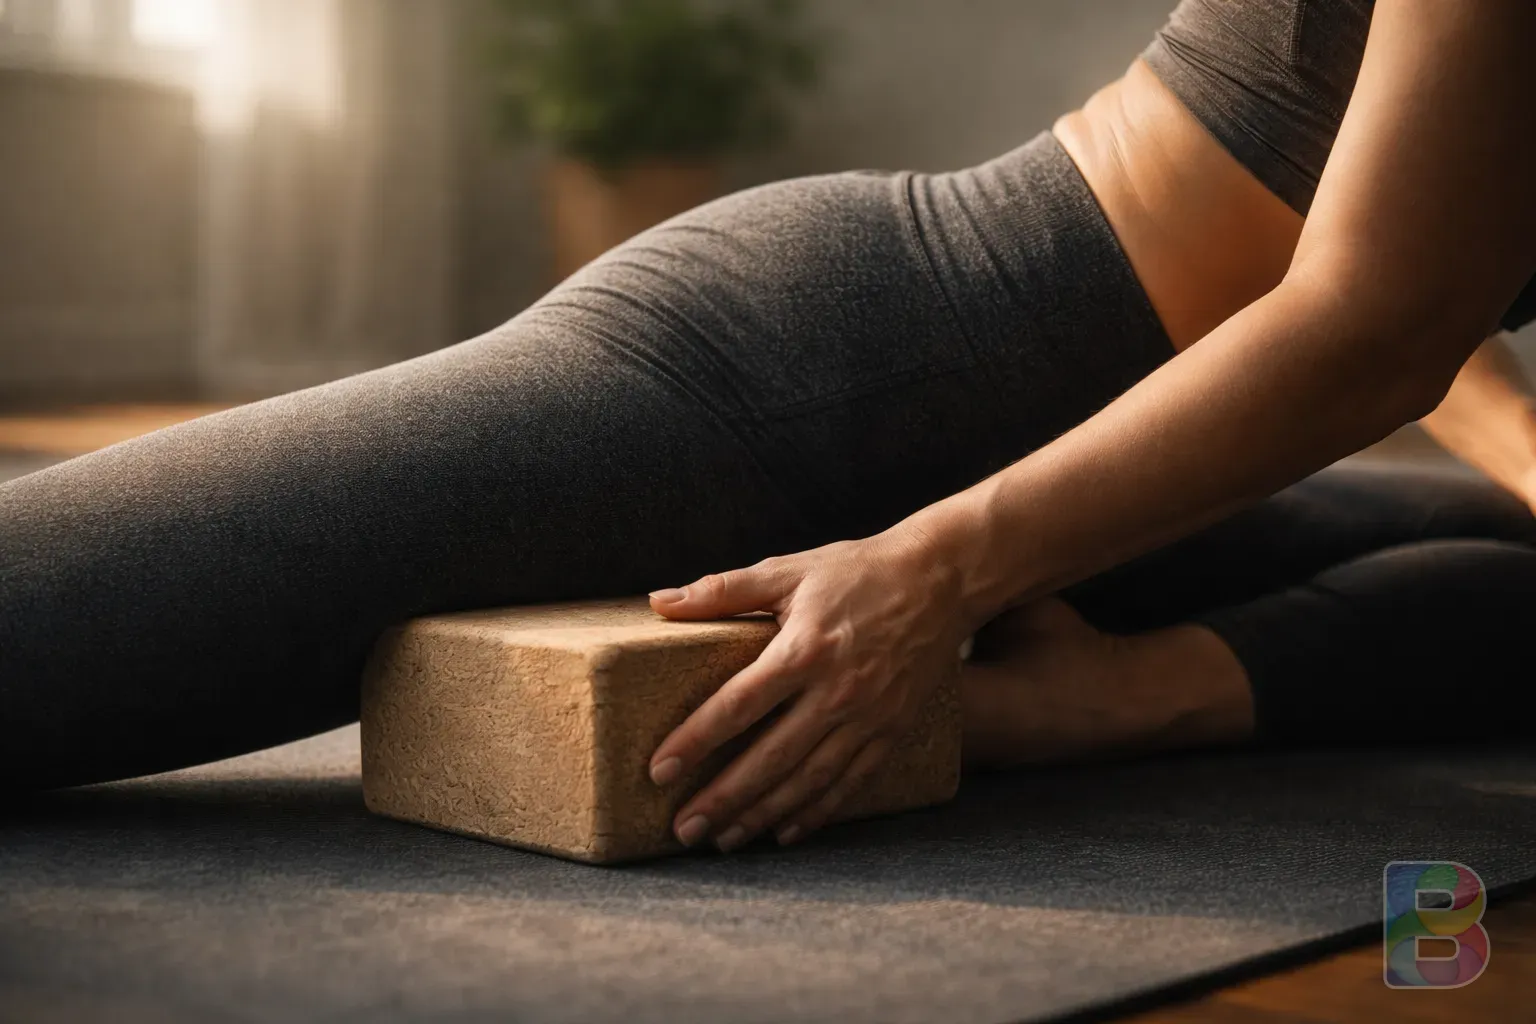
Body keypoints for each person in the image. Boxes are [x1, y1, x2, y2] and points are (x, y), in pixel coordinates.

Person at [2, 0, 1533, 859]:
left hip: (1072, 462)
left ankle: (1112, 696)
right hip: (825, 379)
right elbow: (1375, 314)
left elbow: (1433, 266)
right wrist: (933, 574)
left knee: (1496, 571)